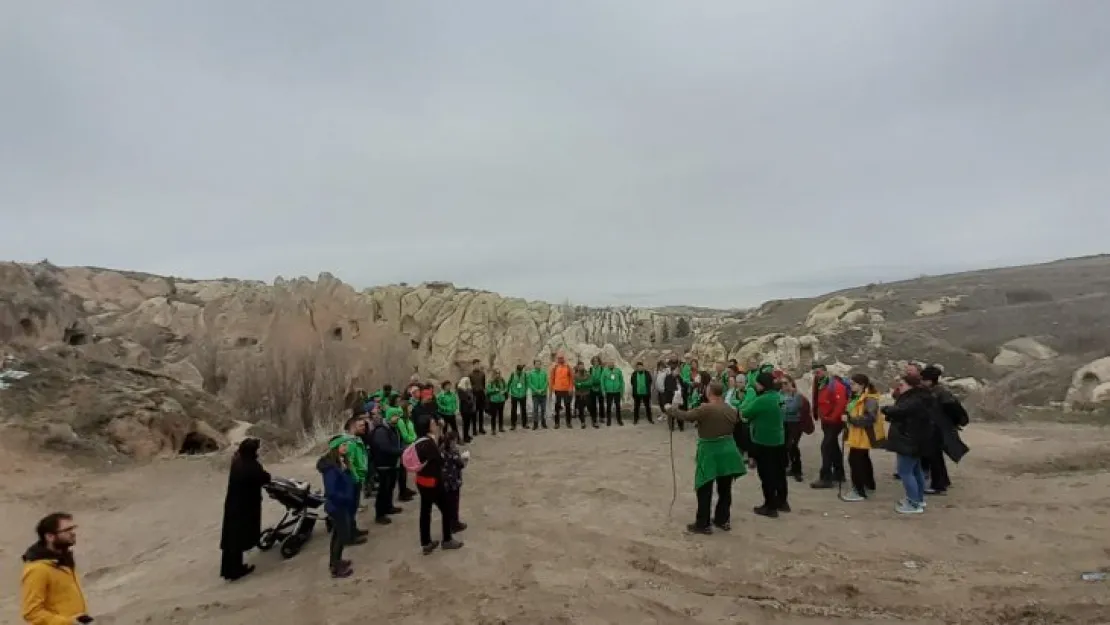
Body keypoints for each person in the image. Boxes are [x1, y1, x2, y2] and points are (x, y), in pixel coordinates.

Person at [665, 381, 745, 534]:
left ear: (710, 392)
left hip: (710, 451)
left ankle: (703, 524)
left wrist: (670, 409)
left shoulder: (705, 408)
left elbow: (686, 416)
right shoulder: (731, 409)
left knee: (704, 488)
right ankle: (723, 520)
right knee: (725, 488)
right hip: (728, 450)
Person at [881, 366, 940, 514]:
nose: (899, 388)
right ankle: (917, 499)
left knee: (905, 472)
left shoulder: (914, 399)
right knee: (916, 471)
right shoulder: (920, 397)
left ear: (910, 386)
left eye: (902, 385)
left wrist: (886, 410)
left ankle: (914, 503)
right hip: (914, 440)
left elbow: (901, 411)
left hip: (909, 440)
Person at [21, 512, 91, 624]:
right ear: (49, 537)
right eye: (67, 530)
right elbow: (31, 612)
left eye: (73, 528)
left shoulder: (64, 561)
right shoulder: (38, 569)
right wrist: (68, 623)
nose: (73, 533)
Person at [218, 437, 271, 581]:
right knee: (238, 539)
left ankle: (228, 569)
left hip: (232, 504)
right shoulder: (251, 466)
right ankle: (236, 570)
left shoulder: (237, 462)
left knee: (231, 539)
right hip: (245, 507)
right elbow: (265, 478)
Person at [413, 417, 464, 554]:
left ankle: (426, 543)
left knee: (425, 512)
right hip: (433, 482)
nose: (435, 425)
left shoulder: (419, 441)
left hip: (421, 481)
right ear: (428, 427)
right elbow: (440, 460)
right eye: (433, 424)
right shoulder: (429, 444)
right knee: (446, 509)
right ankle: (447, 539)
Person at [742, 371, 789, 517]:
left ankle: (770, 506)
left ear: (762, 384)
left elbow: (746, 413)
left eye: (757, 383)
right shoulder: (779, 397)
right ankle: (782, 501)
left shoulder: (762, 400)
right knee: (779, 472)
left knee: (767, 474)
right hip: (779, 439)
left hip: (764, 441)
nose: (755, 385)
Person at [920, 365, 970, 495]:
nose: (922, 382)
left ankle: (939, 486)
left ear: (930, 380)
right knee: (936, 457)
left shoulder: (940, 393)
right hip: (935, 428)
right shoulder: (936, 392)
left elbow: (953, 410)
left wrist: (955, 422)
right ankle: (943, 481)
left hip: (938, 429)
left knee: (934, 457)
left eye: (924, 379)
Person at [841, 374, 885, 502]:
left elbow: (870, 418)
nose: (851, 385)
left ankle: (859, 490)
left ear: (862, 385)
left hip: (864, 435)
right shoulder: (855, 397)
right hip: (856, 434)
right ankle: (868, 484)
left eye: (853, 383)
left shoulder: (869, 399)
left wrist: (850, 419)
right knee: (863, 459)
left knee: (855, 461)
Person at [318, 441, 357, 578]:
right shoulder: (331, 469)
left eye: (346, 445)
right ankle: (335, 568)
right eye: (343, 445)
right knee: (340, 537)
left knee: (337, 535)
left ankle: (336, 561)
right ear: (335, 448)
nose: (346, 447)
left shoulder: (340, 463)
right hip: (337, 506)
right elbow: (332, 491)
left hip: (341, 505)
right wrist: (346, 498)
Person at [810, 363, 849, 489]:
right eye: (815, 372)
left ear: (825, 371)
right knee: (832, 445)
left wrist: (831, 418)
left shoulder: (835, 385)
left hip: (834, 422)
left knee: (825, 446)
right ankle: (839, 473)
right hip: (826, 420)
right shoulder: (820, 383)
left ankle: (826, 477)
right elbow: (816, 398)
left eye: (819, 372)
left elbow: (840, 404)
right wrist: (817, 413)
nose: (817, 374)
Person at [333, 418, 370, 542]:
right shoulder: (348, 443)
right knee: (349, 509)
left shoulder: (356, 440)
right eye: (360, 426)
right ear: (352, 427)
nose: (364, 427)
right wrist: (356, 477)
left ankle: (353, 530)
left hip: (358, 477)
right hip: (353, 480)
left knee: (353, 508)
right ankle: (349, 536)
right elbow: (350, 463)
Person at [369, 405, 405, 524]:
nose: (398, 418)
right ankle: (380, 514)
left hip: (391, 463)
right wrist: (401, 451)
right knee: (383, 490)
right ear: (389, 416)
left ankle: (389, 506)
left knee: (390, 487)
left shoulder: (392, 428)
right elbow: (385, 447)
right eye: (395, 416)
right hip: (383, 464)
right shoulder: (381, 431)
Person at [779, 375, 814, 482]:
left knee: (793, 445)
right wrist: (784, 407)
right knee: (785, 446)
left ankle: (797, 470)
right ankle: (790, 467)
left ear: (791, 382)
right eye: (782, 384)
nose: (784, 386)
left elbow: (792, 408)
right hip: (784, 423)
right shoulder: (780, 394)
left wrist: (784, 406)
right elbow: (779, 407)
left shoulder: (797, 395)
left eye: (786, 383)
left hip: (795, 424)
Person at [441, 430, 469, 535]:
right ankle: (454, 524)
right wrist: (465, 459)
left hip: (445, 480)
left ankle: (450, 523)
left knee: (448, 503)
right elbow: (460, 464)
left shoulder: (441, 449)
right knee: (454, 503)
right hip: (453, 480)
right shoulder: (454, 451)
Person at [395, 399, 418, 502]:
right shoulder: (401, 421)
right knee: (402, 470)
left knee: (404, 470)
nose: (411, 409)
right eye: (409, 408)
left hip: (410, 445)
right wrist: (413, 439)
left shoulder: (408, 419)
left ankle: (404, 489)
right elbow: (405, 436)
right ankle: (402, 493)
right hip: (405, 446)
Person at [549, 354, 575, 425]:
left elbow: (572, 378)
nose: (560, 359)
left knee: (568, 406)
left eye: (562, 358)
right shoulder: (555, 367)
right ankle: (557, 423)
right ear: (557, 359)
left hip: (567, 390)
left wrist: (571, 388)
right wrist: (550, 391)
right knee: (557, 407)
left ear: (564, 358)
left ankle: (568, 422)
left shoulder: (568, 366)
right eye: (559, 358)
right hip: (557, 390)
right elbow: (551, 379)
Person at [663, 360, 686, 432]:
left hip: (679, 398)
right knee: (671, 413)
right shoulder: (668, 378)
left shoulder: (679, 377)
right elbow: (668, 388)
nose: (678, 372)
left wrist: (682, 389)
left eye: (679, 371)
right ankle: (671, 427)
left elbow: (683, 385)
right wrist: (675, 391)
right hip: (671, 398)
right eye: (677, 370)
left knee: (679, 413)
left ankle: (681, 426)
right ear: (673, 371)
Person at [601, 360, 625, 426]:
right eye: (610, 363)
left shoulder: (618, 371)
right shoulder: (605, 371)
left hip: (617, 392)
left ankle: (619, 420)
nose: (611, 364)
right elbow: (602, 381)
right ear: (608, 364)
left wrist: (622, 391)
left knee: (618, 406)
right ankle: (608, 420)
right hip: (609, 392)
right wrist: (603, 390)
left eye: (612, 363)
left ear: (614, 364)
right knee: (608, 406)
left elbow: (622, 381)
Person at [528, 359, 550, 429]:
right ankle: (535, 424)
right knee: (535, 409)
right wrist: (536, 390)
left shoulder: (544, 373)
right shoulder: (531, 373)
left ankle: (543, 423)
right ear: (534, 365)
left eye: (539, 364)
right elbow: (530, 383)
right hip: (535, 394)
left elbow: (547, 382)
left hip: (543, 394)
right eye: (537, 364)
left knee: (543, 409)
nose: (538, 365)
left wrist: (543, 389)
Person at [507, 364, 530, 430]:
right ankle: (513, 425)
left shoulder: (524, 374)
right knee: (513, 410)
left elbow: (527, 383)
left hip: (522, 395)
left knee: (524, 410)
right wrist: (508, 391)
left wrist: (525, 391)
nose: (519, 372)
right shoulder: (513, 374)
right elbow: (509, 383)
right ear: (516, 369)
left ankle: (525, 424)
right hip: (514, 395)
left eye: (521, 370)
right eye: (518, 370)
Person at [457, 376, 478, 443]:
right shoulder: (460, 389)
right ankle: (465, 437)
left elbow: (472, 396)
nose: (467, 383)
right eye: (466, 382)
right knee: (465, 423)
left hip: (469, 409)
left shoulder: (468, 389)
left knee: (468, 423)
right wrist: (471, 400)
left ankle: (467, 435)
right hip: (464, 409)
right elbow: (465, 399)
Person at [485, 369, 507, 434]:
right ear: (494, 374)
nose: (498, 375)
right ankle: (493, 429)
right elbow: (488, 390)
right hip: (494, 401)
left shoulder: (502, 380)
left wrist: (504, 391)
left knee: (501, 414)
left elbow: (506, 387)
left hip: (501, 400)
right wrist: (495, 390)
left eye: (499, 373)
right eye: (496, 373)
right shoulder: (491, 382)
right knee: (493, 416)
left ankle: (501, 427)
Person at [469, 360, 488, 434]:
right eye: (476, 364)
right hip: (474, 394)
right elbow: (470, 386)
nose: (477, 366)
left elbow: (483, 384)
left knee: (481, 412)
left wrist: (484, 393)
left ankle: (481, 428)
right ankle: (474, 429)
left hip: (481, 394)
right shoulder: (470, 375)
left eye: (478, 364)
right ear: (473, 365)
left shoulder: (482, 374)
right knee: (474, 412)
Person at [573, 362, 593, 428]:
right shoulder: (575, 375)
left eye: (582, 366)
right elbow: (576, 384)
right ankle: (583, 422)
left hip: (587, 394)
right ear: (578, 367)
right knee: (580, 409)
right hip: (579, 395)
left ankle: (594, 421)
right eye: (580, 366)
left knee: (590, 408)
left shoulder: (588, 374)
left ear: (584, 366)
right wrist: (584, 383)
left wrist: (581, 384)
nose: (581, 367)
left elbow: (590, 383)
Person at [587, 356, 605, 425]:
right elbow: (589, 377)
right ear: (592, 362)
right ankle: (594, 418)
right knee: (593, 404)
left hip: (600, 388)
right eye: (594, 361)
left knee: (601, 404)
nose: (596, 362)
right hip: (592, 388)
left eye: (597, 361)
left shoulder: (602, 369)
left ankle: (601, 417)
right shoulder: (590, 369)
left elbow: (603, 378)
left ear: (599, 361)